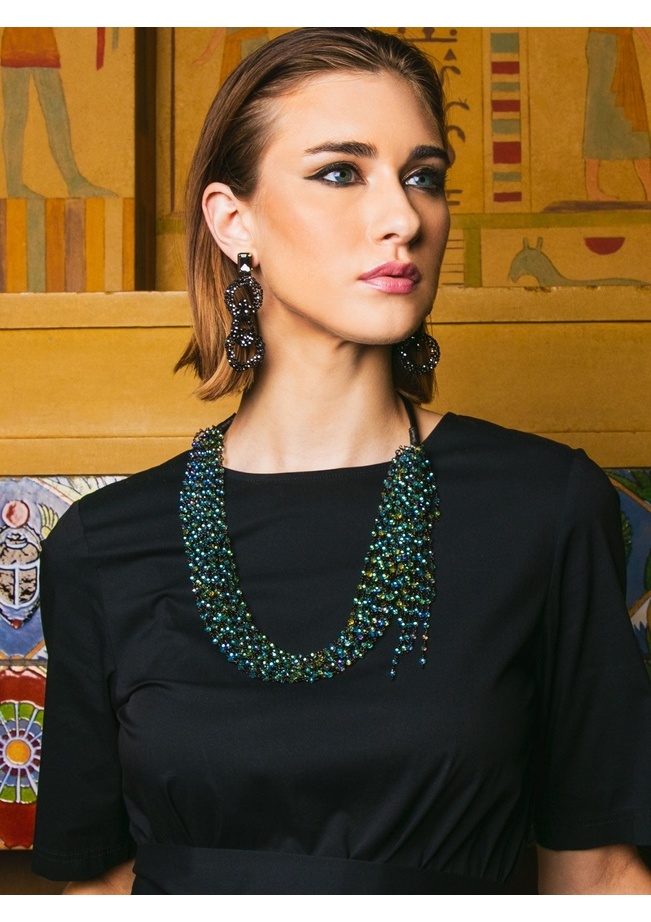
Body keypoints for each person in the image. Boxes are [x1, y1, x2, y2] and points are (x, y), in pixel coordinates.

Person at [31, 27, 651, 895]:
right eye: (339, 173)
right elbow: (97, 887)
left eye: (422, 177)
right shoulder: (103, 545)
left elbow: (597, 876)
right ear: (233, 221)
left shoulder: (542, 506)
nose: (404, 218)